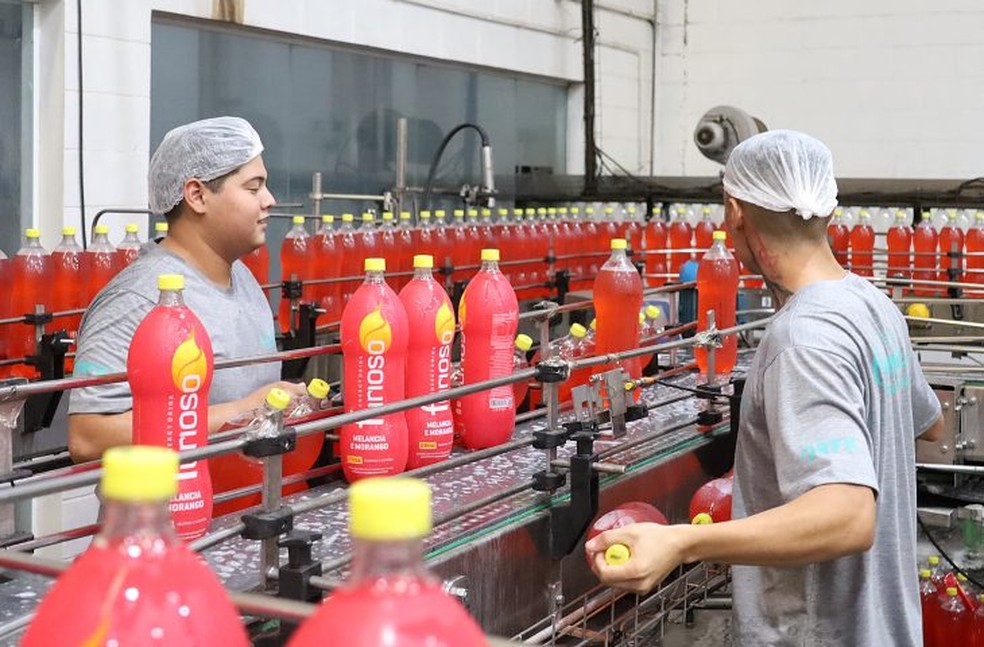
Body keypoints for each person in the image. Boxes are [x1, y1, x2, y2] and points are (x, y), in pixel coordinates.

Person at [585, 130, 944, 645]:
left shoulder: (803, 339)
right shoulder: (872, 304)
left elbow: (847, 516)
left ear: (733, 212)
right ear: (829, 209)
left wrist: (684, 542)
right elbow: (930, 423)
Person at [68, 116, 305, 463]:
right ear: (197, 195)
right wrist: (241, 410)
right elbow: (87, 438)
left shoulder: (244, 279)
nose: (269, 200)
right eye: (253, 188)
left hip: (245, 506)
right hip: (166, 515)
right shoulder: (138, 298)